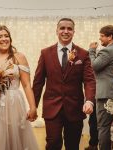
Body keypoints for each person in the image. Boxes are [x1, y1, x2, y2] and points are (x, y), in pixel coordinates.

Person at [33, 18, 96, 150]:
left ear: (74, 32)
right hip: (52, 107)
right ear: (57, 31)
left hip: (75, 108)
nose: (65, 31)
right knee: (53, 143)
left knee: (72, 145)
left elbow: (89, 80)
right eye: (62, 28)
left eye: (69, 29)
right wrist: (33, 106)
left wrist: (89, 100)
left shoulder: (83, 54)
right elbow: (38, 82)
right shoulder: (45, 53)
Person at [89, 25, 113, 150]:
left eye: (102, 36)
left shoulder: (108, 50)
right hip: (112, 91)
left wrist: (92, 51)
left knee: (103, 127)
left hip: (106, 94)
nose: (100, 39)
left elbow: (95, 65)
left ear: (110, 37)